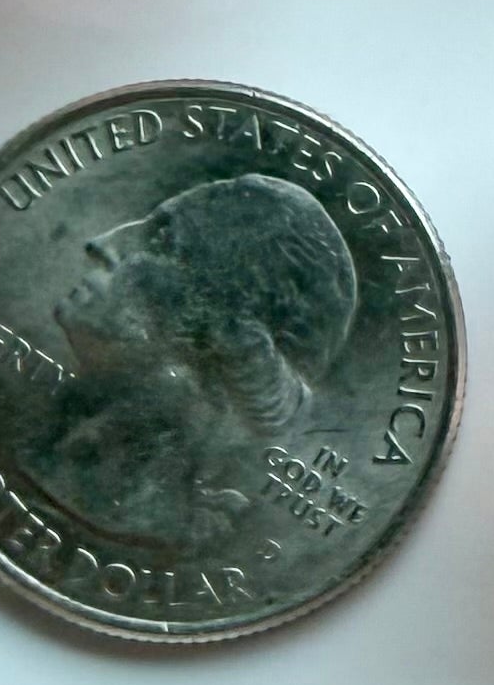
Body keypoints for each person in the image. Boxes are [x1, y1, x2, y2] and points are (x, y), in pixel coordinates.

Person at [38, 171, 359, 550]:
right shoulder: (62, 440)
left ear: (222, 324)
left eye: (162, 240)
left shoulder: (124, 501)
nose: (101, 243)